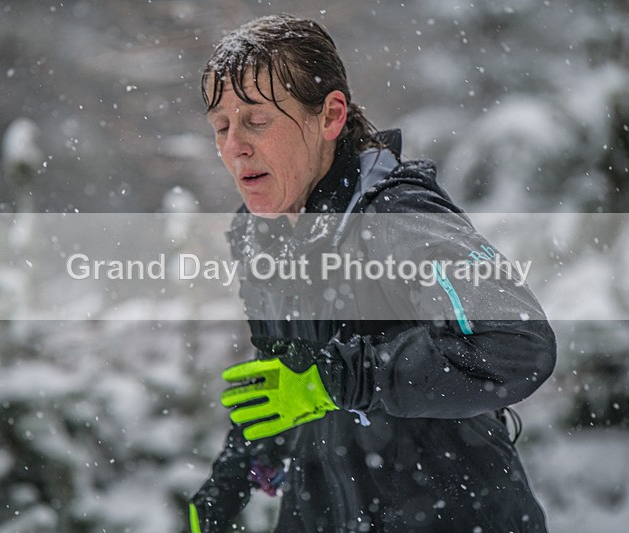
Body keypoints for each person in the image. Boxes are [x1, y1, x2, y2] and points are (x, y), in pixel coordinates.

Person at [188, 14, 557, 533]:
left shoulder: (397, 216)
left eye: (257, 121)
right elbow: (285, 373)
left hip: (454, 512)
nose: (234, 146)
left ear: (331, 116)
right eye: (221, 127)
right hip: (322, 513)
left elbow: (516, 344)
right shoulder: (256, 231)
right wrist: (238, 473)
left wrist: (344, 379)